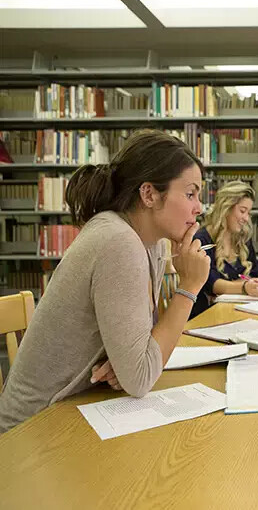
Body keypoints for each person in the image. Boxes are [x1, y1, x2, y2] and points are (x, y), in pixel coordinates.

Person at [0, 129, 210, 434]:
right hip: (29, 434)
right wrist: (189, 287)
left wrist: (126, 358)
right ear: (149, 194)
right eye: (191, 193)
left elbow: (138, 357)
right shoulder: (118, 241)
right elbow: (140, 379)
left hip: (75, 411)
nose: (199, 207)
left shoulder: (146, 242)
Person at [190, 181, 258, 318]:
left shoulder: (244, 239)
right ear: (226, 207)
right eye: (242, 211)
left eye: (249, 213)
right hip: (208, 316)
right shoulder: (202, 240)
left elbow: (255, 274)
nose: (246, 218)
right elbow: (210, 283)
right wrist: (243, 287)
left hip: (242, 313)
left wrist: (242, 285)